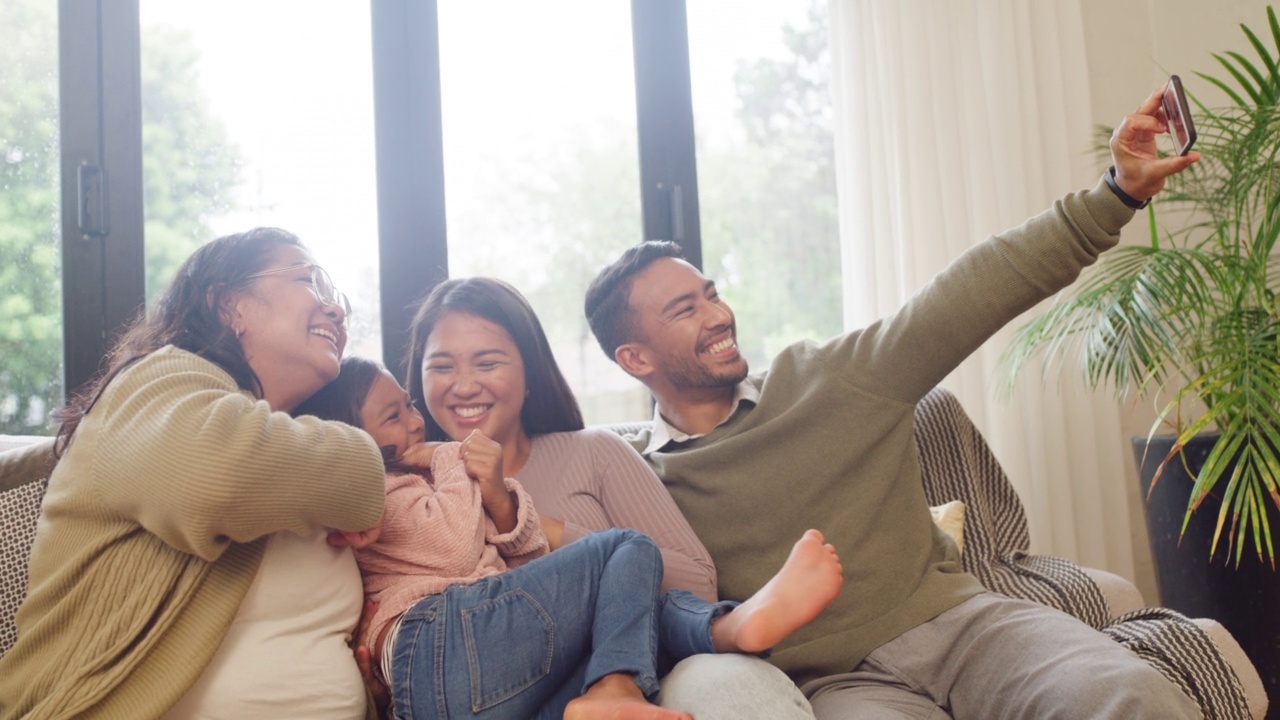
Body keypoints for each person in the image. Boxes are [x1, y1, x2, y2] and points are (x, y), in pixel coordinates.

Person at [581, 89, 1204, 719]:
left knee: (1126, 691)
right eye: (686, 310)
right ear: (635, 358)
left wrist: (1116, 194)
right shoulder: (637, 480)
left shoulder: (822, 378)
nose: (719, 316)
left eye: (711, 294)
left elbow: (971, 291)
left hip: (966, 627)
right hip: (834, 686)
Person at [293, 356, 845, 720]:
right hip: (438, 645)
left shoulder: (577, 453)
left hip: (477, 681)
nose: (416, 422)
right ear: (350, 443)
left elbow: (526, 561)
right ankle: (656, 663)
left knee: (623, 615)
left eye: (409, 405)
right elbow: (457, 548)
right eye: (394, 415)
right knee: (627, 548)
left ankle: (725, 628)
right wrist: (452, 459)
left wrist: (500, 497)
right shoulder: (380, 492)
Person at [0, 228, 388, 719]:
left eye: (337, 298)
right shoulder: (158, 381)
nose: (336, 310)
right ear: (231, 306)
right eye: (309, 281)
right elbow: (215, 481)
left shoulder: (293, 457)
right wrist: (362, 464)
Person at [401, 276, 820, 718]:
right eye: (442, 367)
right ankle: (724, 628)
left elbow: (697, 582)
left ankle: (710, 637)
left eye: (487, 364)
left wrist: (536, 527)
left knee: (726, 682)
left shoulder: (594, 452)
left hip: (648, 689)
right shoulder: (408, 490)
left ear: (529, 377)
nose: (464, 386)